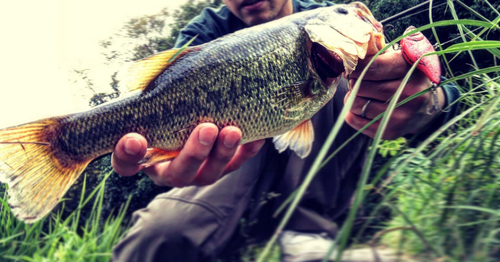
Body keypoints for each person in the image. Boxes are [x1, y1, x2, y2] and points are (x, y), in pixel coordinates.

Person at [111, 0, 460, 261]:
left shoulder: (327, 17)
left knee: (343, 71)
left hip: (318, 158)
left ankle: (307, 229)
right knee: (155, 239)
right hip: (230, 159)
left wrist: (428, 99)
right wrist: (156, 161)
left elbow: (446, 98)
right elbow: (150, 98)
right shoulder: (204, 31)